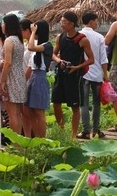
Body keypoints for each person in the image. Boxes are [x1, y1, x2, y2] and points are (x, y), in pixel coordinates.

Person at [52, 11, 94, 140]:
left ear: (72, 24)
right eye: (61, 22)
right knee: (56, 102)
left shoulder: (82, 40)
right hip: (61, 74)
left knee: (75, 106)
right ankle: (62, 129)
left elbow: (91, 59)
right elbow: (53, 54)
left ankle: (73, 135)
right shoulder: (60, 37)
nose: (62, 24)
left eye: (64, 22)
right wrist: (59, 61)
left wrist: (77, 67)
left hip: (75, 77)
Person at [79, 12, 108, 139]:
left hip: (82, 74)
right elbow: (103, 58)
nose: (97, 24)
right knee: (96, 103)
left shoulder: (78, 36)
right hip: (97, 75)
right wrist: (105, 74)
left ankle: (85, 131)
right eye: (96, 21)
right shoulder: (99, 37)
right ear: (91, 22)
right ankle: (96, 130)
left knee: (83, 103)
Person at [0, 13, 26, 135]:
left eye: (3, 23)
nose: (2, 25)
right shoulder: (19, 40)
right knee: (18, 113)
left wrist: (2, 80)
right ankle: (19, 142)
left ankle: (15, 142)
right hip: (20, 76)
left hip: (11, 77)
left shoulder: (9, 40)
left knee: (12, 113)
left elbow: (8, 63)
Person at [26, 20, 53, 138]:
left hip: (40, 78)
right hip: (33, 77)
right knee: (30, 111)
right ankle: (36, 136)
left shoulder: (47, 45)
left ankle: (42, 139)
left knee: (39, 111)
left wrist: (32, 32)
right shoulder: (39, 44)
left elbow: (30, 47)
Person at [20, 18, 34, 137]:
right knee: (24, 112)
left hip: (29, 81)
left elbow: (30, 66)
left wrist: (22, 81)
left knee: (29, 112)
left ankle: (31, 135)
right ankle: (27, 136)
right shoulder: (25, 44)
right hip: (25, 80)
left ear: (27, 31)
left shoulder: (33, 45)